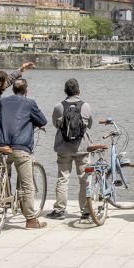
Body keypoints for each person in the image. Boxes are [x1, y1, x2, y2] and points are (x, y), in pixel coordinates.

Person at [0, 77, 48, 229]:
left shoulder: (2, 102)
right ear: (26, 90)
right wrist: (35, 123)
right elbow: (43, 120)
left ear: (13, 90)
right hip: (20, 148)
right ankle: (31, 220)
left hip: (1, 147)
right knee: (27, 185)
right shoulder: (30, 103)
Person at [46, 78, 94, 220]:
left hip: (63, 148)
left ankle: (59, 210)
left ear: (65, 91)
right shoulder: (86, 106)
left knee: (63, 178)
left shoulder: (58, 106)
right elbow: (89, 124)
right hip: (82, 147)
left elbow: (56, 124)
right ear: (79, 91)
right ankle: (85, 211)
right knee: (84, 179)